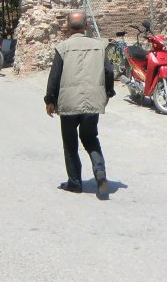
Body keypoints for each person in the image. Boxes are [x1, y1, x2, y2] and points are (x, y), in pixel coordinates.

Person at [44, 10, 115, 199]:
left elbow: (55, 76)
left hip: (68, 102)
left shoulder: (62, 47)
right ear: (87, 26)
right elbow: (109, 72)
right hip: (92, 101)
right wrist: (108, 92)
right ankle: (100, 172)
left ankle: (75, 182)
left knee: (70, 143)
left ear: (67, 27)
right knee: (91, 138)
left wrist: (50, 99)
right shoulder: (100, 46)